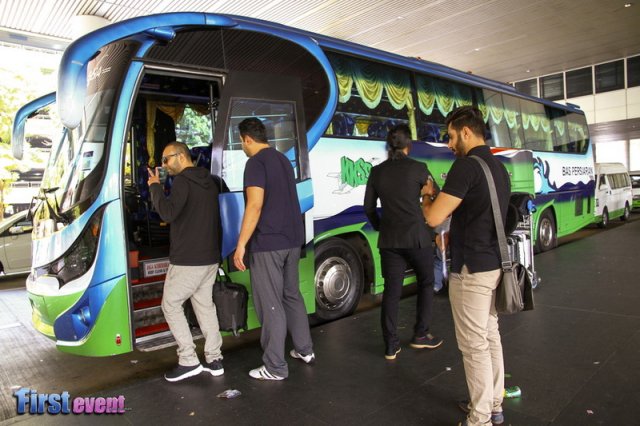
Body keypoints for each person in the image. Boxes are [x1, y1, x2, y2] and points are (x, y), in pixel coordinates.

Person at [423, 106, 510, 426]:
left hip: (471, 269)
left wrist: (427, 195)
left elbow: (434, 218)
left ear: (466, 132)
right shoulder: (499, 167)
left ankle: (480, 418)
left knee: (474, 346)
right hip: (493, 263)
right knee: (490, 336)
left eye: (450, 137)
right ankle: (494, 404)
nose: (449, 144)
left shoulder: (465, 166)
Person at [232, 117, 314, 381]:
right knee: (292, 295)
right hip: (292, 240)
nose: (242, 146)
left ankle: (275, 367)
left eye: (241, 141)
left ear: (247, 139)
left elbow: (255, 205)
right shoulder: (282, 160)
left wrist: (241, 245)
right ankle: (305, 350)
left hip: (269, 243)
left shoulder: (255, 163)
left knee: (271, 304)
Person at [364, 124, 443, 360]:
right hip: (417, 237)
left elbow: (369, 208)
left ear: (389, 146)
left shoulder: (377, 172)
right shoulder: (419, 168)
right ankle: (421, 334)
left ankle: (390, 346)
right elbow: (435, 193)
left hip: (390, 240)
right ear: (409, 146)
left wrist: (381, 227)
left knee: (392, 291)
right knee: (426, 282)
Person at [147, 141, 224, 382]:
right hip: (210, 257)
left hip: (188, 260)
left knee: (170, 305)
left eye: (166, 159)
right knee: (204, 306)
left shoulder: (182, 181)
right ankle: (214, 358)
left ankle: (188, 360)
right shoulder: (210, 181)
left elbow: (167, 213)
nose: (164, 165)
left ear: (181, 156)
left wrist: (155, 187)